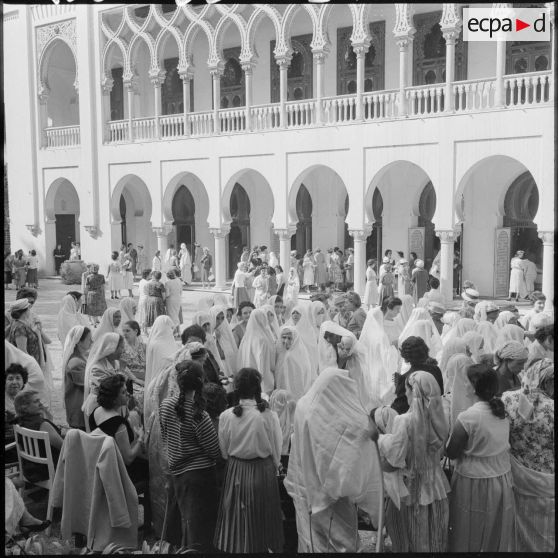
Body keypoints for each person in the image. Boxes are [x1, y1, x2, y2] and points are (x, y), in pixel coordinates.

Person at [285, 366, 382, 553]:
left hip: (305, 486)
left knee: (313, 541)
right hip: (328, 497)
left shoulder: (306, 405)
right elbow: (337, 460)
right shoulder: (320, 414)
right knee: (343, 544)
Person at [378, 371, 450, 552]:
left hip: (412, 488)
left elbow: (395, 458)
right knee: (434, 536)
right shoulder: (440, 417)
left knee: (412, 537)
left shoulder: (404, 420)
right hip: (436, 485)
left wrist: (379, 440)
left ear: (413, 391)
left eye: (407, 389)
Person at [214, 368, 284, 553]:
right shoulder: (269, 416)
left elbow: (223, 451)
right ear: (257, 388)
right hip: (263, 471)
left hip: (236, 470)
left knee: (239, 522)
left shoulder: (226, 416)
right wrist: (275, 465)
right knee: (262, 522)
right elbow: (277, 449)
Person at [446, 365, 514, 552]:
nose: (463, 385)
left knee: (468, 528)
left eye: (466, 381)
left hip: (474, 481)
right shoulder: (501, 410)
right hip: (500, 477)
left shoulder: (468, 417)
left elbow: (451, 452)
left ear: (473, 387)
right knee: (494, 528)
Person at [158, 360, 221, 551]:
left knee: (185, 523)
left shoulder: (166, 405)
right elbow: (214, 451)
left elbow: (164, 435)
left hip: (176, 472)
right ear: (200, 382)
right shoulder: (199, 415)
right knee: (199, 530)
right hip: (199, 477)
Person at [501, 359, 554, 552]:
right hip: (546, 483)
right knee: (545, 533)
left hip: (516, 479)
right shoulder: (552, 409)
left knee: (518, 532)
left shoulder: (508, 400)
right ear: (547, 382)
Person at [89, 374, 148, 484]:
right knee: (151, 466)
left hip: (100, 464)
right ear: (114, 399)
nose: (128, 394)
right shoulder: (118, 424)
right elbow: (128, 459)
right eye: (123, 392)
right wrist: (140, 438)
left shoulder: (95, 412)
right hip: (119, 473)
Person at [14, 390, 64, 482]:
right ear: (25, 407)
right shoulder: (43, 425)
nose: (40, 404)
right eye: (36, 401)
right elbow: (63, 447)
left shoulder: (19, 423)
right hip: (48, 470)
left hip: (29, 469)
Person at [82, 332, 127, 427]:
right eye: (121, 347)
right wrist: (122, 371)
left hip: (113, 404)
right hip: (99, 407)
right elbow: (112, 388)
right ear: (112, 348)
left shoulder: (116, 363)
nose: (123, 351)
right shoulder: (96, 367)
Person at [392, 336, 444, 415]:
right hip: (437, 415)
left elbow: (400, 408)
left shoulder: (406, 378)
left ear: (405, 356)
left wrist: (398, 387)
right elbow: (440, 394)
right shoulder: (436, 370)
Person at [236, 308, 276, 394]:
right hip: (260, 379)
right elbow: (262, 362)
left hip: (248, 376)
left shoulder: (247, 337)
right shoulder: (262, 339)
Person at [62, 325, 93, 429]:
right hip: (78, 411)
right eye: (89, 339)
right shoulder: (76, 362)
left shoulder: (82, 357)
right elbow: (89, 383)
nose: (92, 341)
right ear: (79, 342)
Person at [275, 325, 313, 400]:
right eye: (283, 337)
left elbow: (297, 383)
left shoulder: (292, 356)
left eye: (289, 338)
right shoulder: (282, 353)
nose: (286, 341)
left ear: (295, 339)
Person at [145, 315, 177, 388]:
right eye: (170, 328)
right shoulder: (157, 344)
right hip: (161, 380)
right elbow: (161, 364)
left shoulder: (168, 341)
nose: (171, 331)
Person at [119, 320, 146, 407]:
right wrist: (136, 379)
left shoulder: (144, 346)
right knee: (139, 395)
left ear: (136, 331)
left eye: (128, 331)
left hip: (145, 379)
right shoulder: (122, 347)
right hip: (130, 380)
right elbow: (123, 367)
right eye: (123, 331)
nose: (125, 333)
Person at [6, 299, 42, 365]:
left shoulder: (21, 324)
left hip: (28, 363)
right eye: (28, 309)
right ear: (25, 311)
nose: (30, 311)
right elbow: (22, 350)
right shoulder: (20, 327)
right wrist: (32, 365)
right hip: (26, 365)